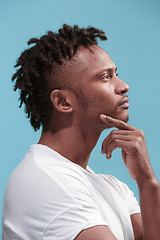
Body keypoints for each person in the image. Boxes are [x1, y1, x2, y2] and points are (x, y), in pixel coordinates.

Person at [2, 24, 160, 240]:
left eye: (116, 74)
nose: (123, 86)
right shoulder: (45, 180)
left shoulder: (114, 188)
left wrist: (147, 181)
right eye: (105, 77)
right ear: (63, 102)